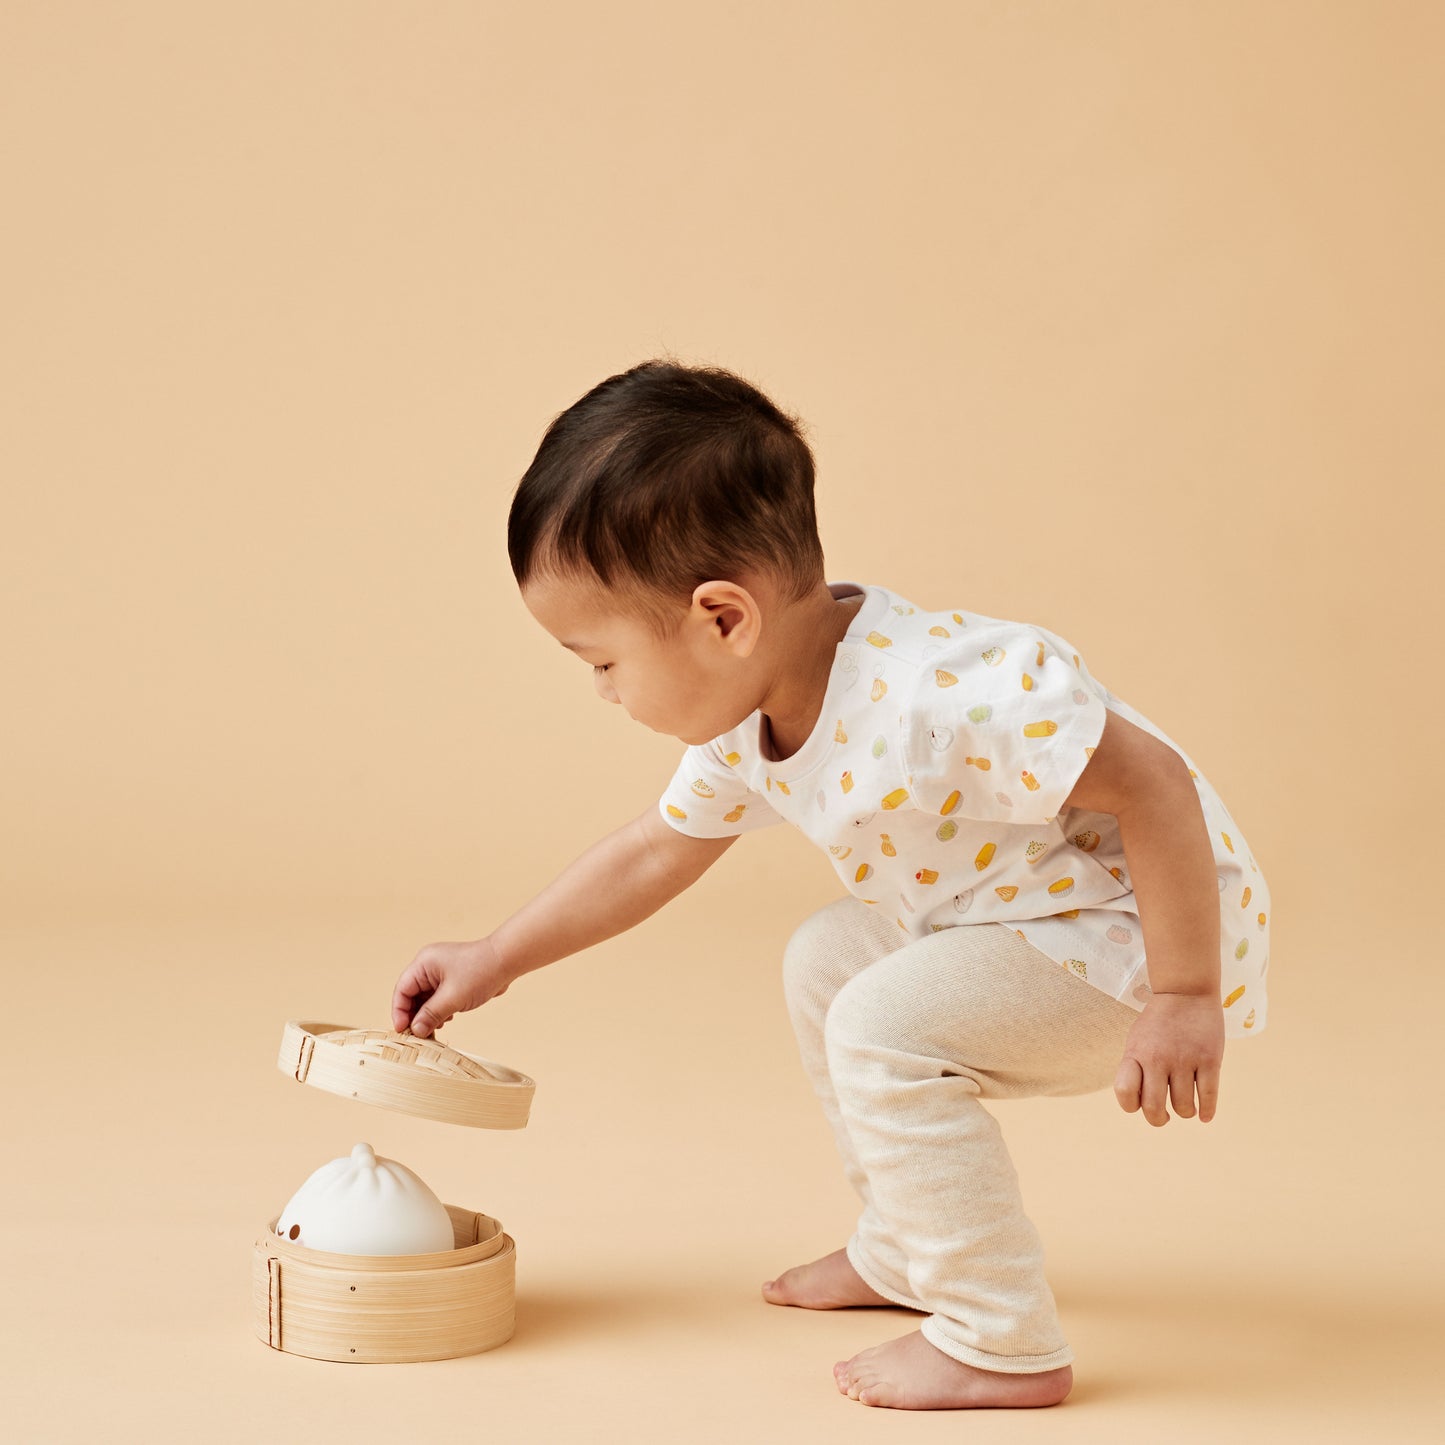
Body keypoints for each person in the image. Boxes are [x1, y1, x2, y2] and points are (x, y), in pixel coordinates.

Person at [390, 358, 1271, 1411]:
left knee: (879, 1023)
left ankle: (999, 1336)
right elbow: (651, 850)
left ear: (721, 618)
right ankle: (905, 1247)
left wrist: (1181, 993)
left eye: (600, 659)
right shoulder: (754, 713)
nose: (599, 691)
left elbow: (1154, 782)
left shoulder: (932, 699)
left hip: (1136, 934)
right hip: (1013, 919)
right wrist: (495, 956)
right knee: (827, 957)